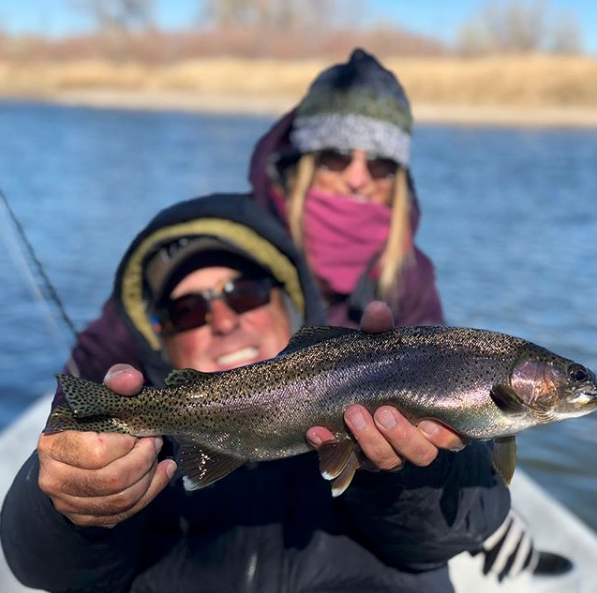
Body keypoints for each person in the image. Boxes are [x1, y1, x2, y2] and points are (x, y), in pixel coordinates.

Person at [2, 193, 511, 593]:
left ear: (290, 306)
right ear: (161, 339)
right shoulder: (149, 454)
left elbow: (462, 529)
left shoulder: (368, 370)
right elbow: (49, 571)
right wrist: (67, 505)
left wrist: (407, 472)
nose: (223, 321)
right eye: (189, 312)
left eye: (243, 294)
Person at [247, 48, 572, 583]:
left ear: (398, 175)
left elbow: (452, 413)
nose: (357, 177)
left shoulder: (412, 276)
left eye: (379, 163)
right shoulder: (223, 247)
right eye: (334, 155)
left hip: (352, 522)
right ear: (299, 163)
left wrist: (441, 481)